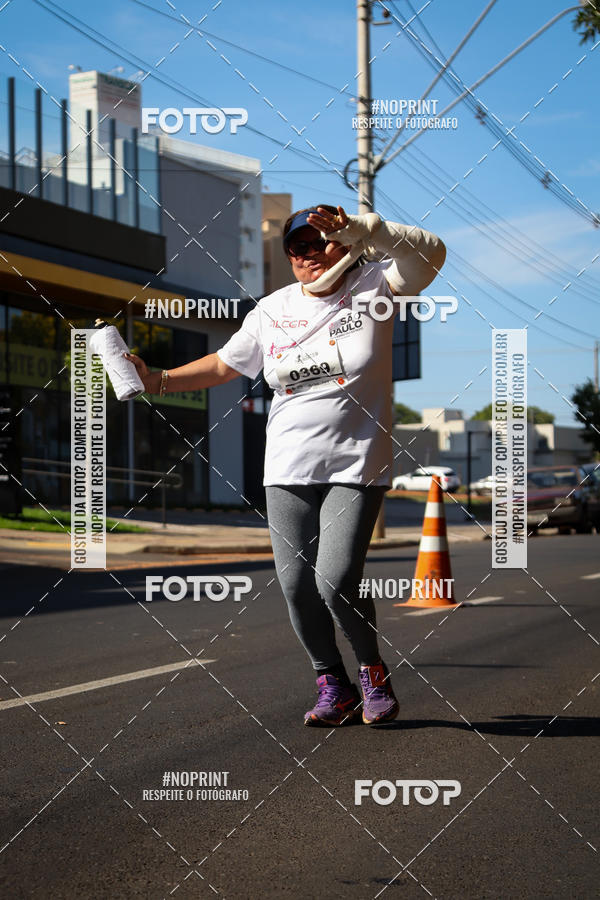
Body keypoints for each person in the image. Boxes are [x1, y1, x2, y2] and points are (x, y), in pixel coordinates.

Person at [126, 204, 446, 727]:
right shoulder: (272, 309)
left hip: (355, 464)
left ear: (345, 243)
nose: (308, 256)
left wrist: (373, 229)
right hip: (288, 465)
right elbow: (223, 365)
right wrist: (155, 378)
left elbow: (430, 255)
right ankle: (334, 685)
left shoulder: (375, 288)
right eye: (297, 249)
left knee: (336, 580)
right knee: (297, 585)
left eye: (319, 242)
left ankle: (372, 671)